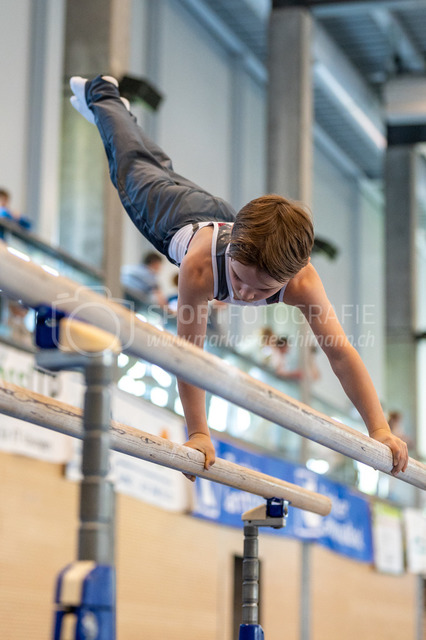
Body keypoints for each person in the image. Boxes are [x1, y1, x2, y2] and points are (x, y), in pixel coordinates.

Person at [69, 75, 408, 478]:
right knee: (132, 167)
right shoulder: (200, 269)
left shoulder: (303, 283)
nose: (244, 294)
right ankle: (102, 94)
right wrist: (198, 432)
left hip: (222, 215)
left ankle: (121, 114)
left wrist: (380, 429)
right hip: (174, 221)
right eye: (239, 278)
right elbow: (189, 356)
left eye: (262, 289)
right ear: (231, 250)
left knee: (160, 168)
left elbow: (340, 354)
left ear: (290, 278)